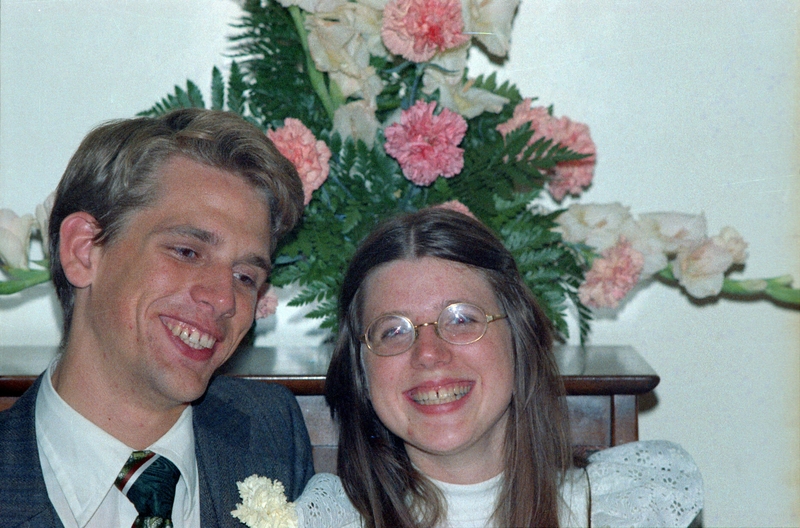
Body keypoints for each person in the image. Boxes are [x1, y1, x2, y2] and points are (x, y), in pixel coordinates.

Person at [0, 108, 315, 527]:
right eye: (187, 252)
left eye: (245, 276)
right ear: (83, 250)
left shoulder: (270, 435)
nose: (224, 299)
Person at [293, 208, 703, 527]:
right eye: (393, 331)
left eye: (461, 318)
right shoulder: (324, 520)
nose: (428, 353)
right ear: (361, 371)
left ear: (518, 337)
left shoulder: (630, 507)